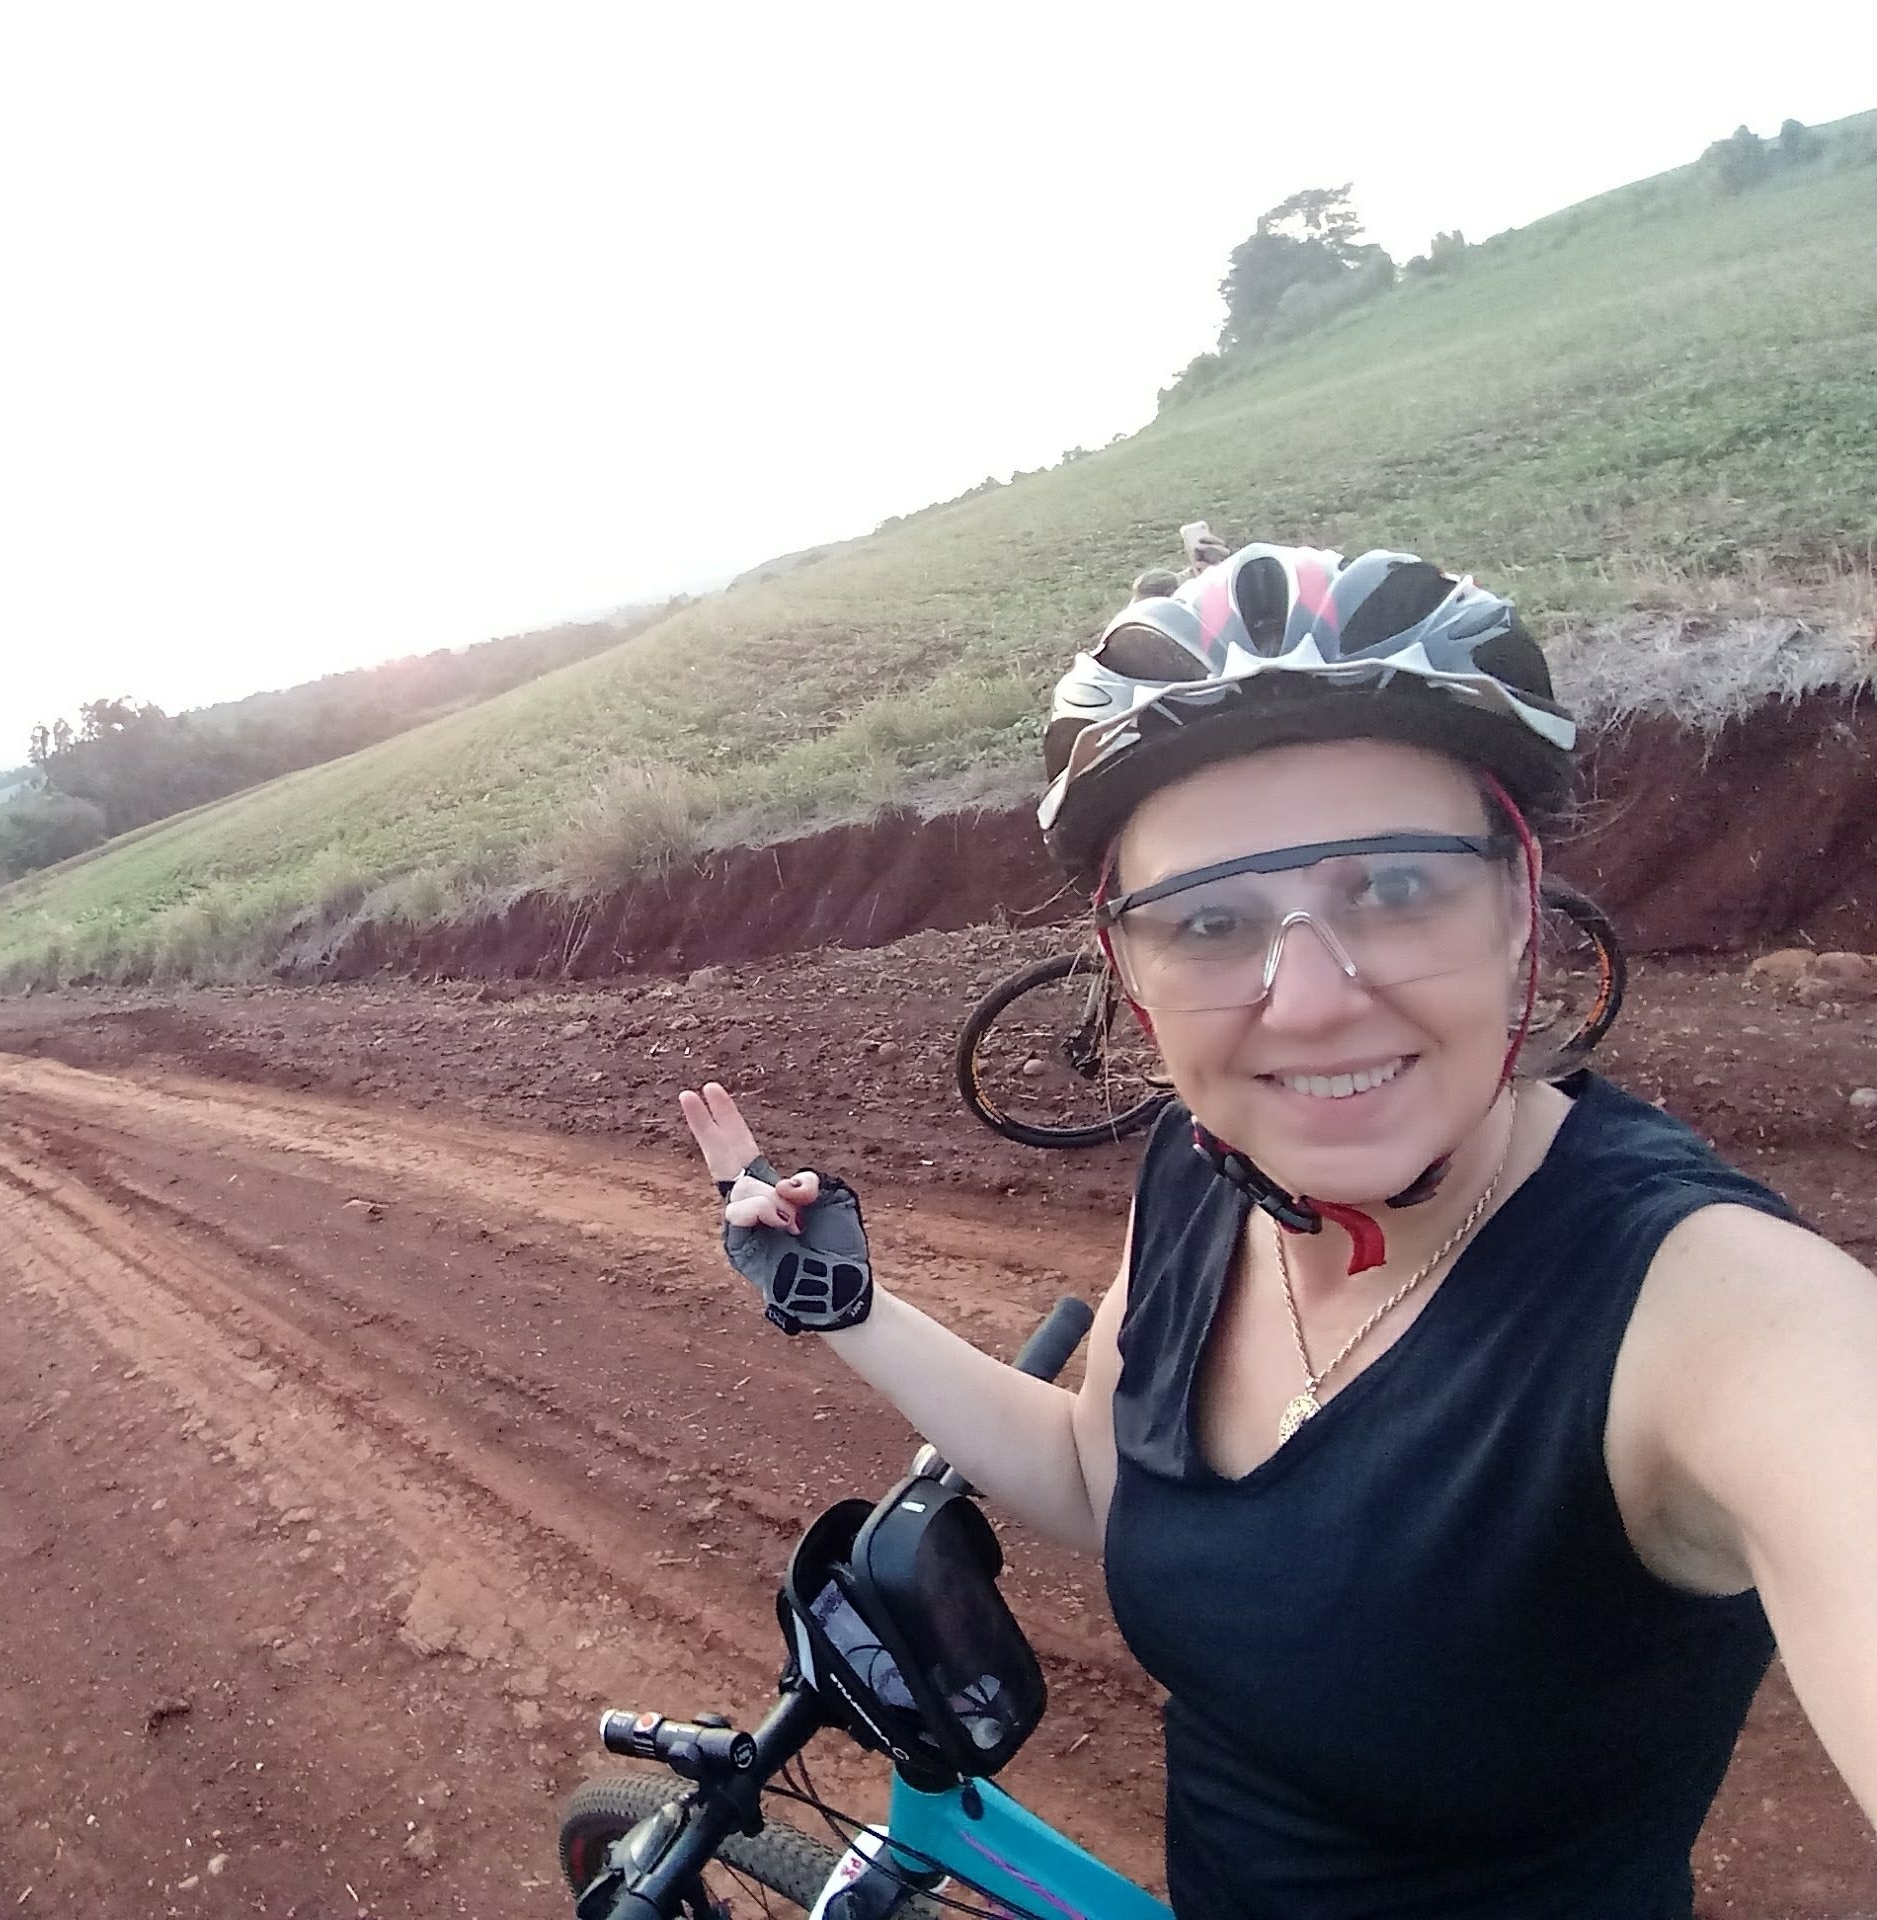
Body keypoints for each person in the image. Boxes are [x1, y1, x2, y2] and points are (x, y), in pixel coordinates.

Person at [681, 543, 1876, 1917]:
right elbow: (1093, 1473)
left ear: (1518, 906)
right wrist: (844, 1304)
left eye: (1401, 886)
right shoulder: (1205, 1170)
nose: (1305, 1003)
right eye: (1210, 920)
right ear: (1130, 970)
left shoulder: (1720, 1321)